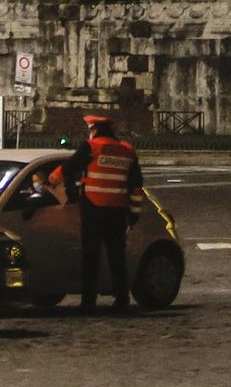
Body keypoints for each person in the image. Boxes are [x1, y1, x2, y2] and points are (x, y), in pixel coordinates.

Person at [62, 113, 143, 313]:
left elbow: (69, 168)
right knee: (117, 256)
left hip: (93, 208)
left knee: (91, 256)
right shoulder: (127, 150)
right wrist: (133, 213)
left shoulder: (90, 147)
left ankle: (88, 301)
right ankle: (122, 298)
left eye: (90, 130)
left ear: (95, 129)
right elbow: (136, 185)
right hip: (118, 210)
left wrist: (51, 183)